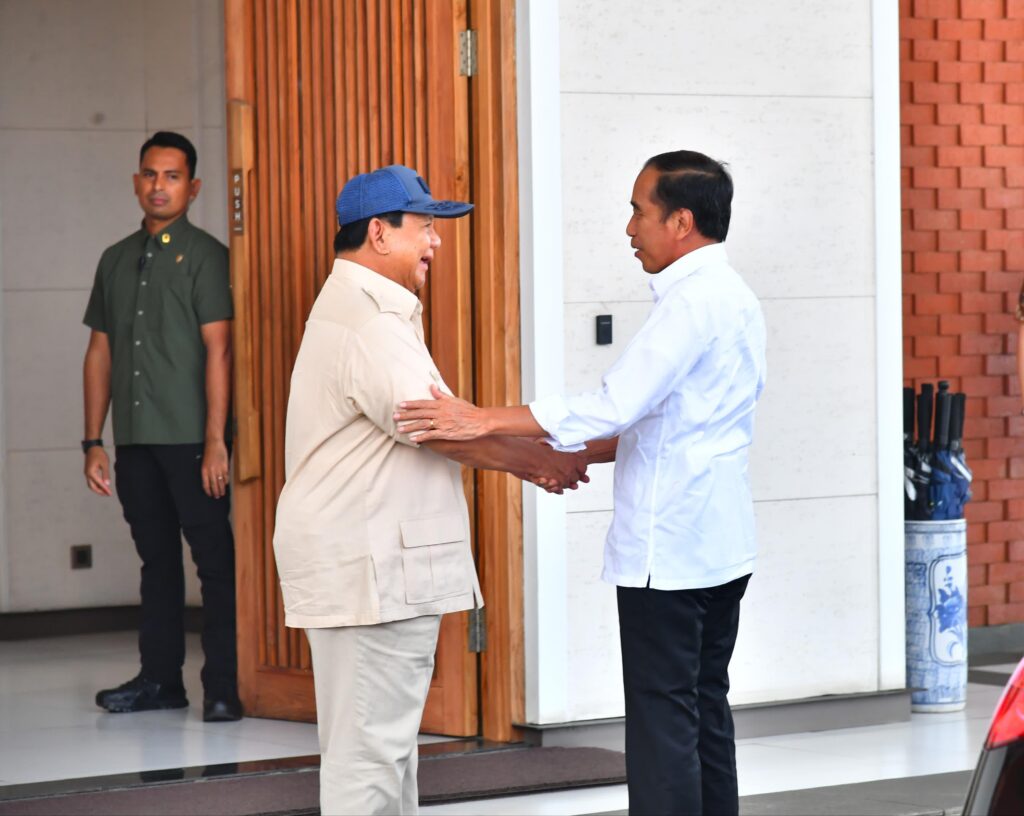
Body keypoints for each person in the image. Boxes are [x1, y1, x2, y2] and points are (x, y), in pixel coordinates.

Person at [395, 150, 767, 816]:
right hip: (719, 543)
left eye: (638, 211)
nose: (629, 228)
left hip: (671, 551)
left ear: (680, 221)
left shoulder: (691, 304)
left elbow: (614, 403)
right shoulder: (734, 296)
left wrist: (480, 419)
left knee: (663, 719)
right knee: (704, 705)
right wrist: (561, 456)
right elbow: (664, 421)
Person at [272, 164, 587, 816]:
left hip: (370, 568)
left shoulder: (366, 310)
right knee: (371, 760)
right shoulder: (369, 321)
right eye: (425, 226)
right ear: (380, 233)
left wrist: (531, 454)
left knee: (380, 751)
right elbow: (436, 427)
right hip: (372, 572)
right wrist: (534, 460)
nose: (436, 241)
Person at [82, 131, 241, 722]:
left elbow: (218, 351)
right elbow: (99, 353)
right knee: (156, 562)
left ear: (192, 187)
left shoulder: (206, 256)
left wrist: (215, 442)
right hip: (136, 440)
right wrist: (93, 441)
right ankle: (160, 682)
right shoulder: (115, 260)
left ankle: (223, 686)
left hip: (193, 441)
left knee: (215, 562)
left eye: (172, 176)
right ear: (135, 182)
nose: (159, 186)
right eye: (150, 174)